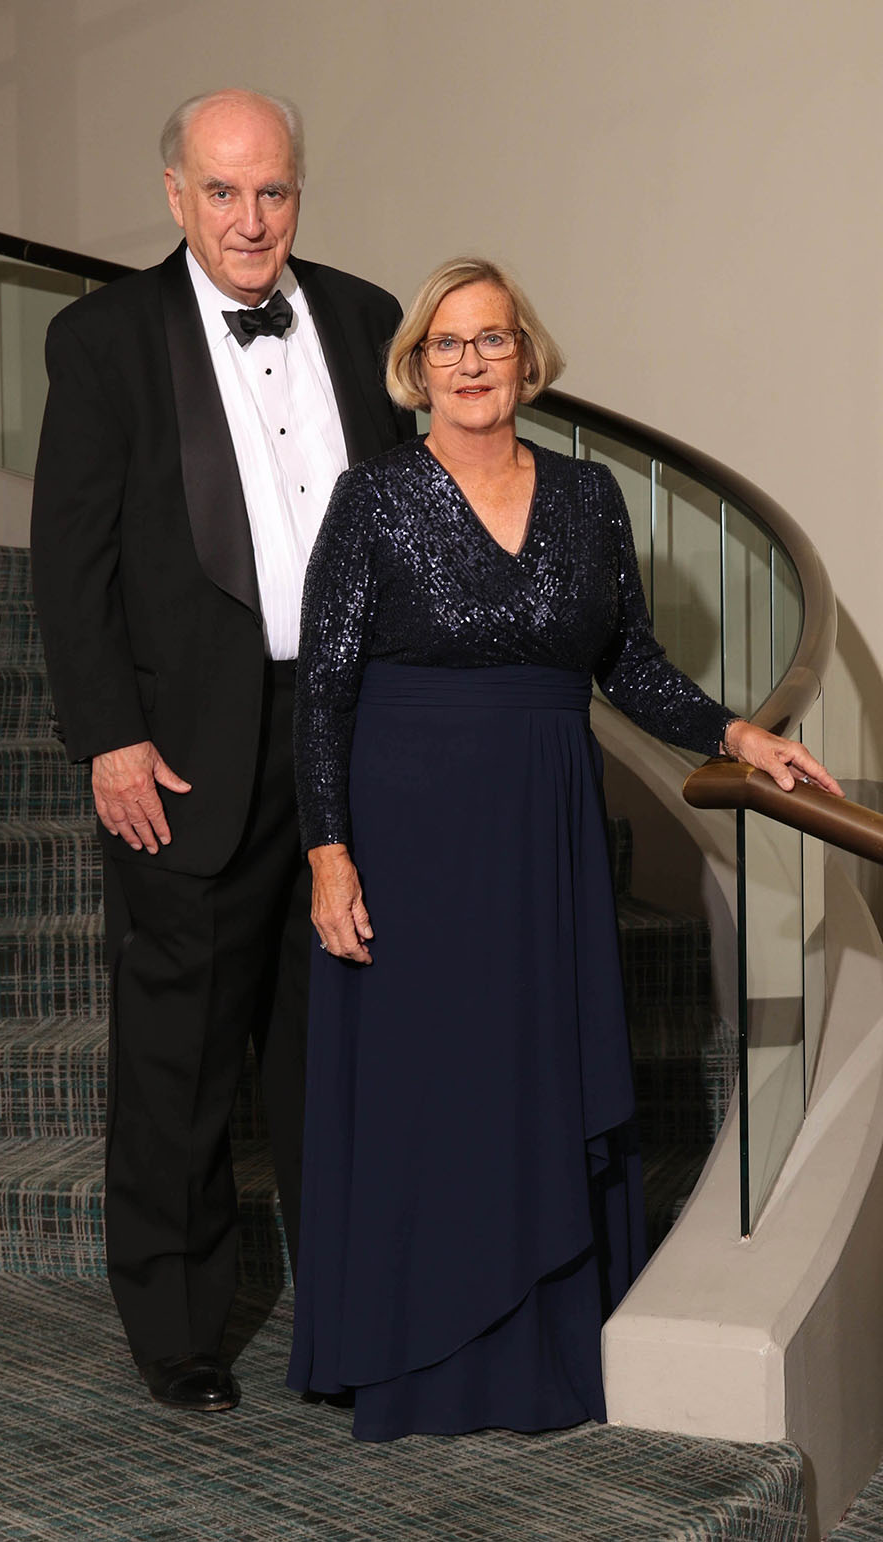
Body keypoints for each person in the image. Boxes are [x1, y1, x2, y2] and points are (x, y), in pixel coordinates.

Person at [285, 256, 842, 1440]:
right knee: (431, 1088)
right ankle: (420, 1347)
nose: (475, 363)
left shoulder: (589, 498)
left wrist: (738, 728)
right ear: (416, 369)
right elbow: (323, 692)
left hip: (544, 827)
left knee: (532, 1072)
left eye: (494, 341)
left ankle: (544, 1351)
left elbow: (626, 662)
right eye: (450, 345)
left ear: (528, 359)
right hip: (411, 828)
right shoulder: (374, 498)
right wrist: (329, 852)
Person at [30, 88, 413, 1413]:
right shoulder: (104, 339)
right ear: (177, 194)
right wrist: (109, 736)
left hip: (348, 733)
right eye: (226, 191)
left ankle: (349, 1318)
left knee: (339, 1048)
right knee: (182, 1054)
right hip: (184, 746)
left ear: (299, 192)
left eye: (277, 191)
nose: (254, 219)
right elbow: (70, 564)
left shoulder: (368, 321)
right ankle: (180, 1331)